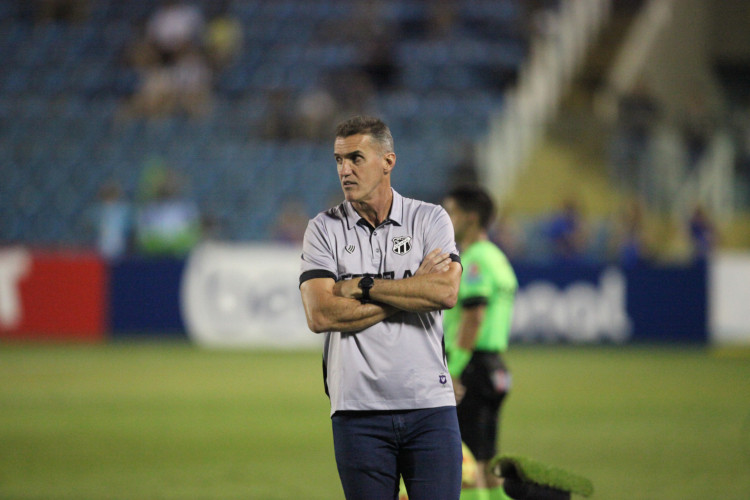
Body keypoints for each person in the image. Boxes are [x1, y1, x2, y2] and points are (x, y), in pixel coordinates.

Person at [298, 116, 464, 500]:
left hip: (430, 407)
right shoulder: (323, 229)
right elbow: (320, 314)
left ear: (388, 161)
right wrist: (410, 293)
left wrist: (364, 286)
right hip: (357, 411)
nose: (345, 170)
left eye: (356, 158)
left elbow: (444, 293)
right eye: (338, 160)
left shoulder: (429, 218)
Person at [442, 185, 518, 500]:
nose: (445, 218)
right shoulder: (498, 258)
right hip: (495, 368)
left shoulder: (473, 260)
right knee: (486, 462)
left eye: (451, 212)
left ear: (470, 218)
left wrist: (455, 370)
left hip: (471, 367)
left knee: (463, 462)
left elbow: (474, 316)